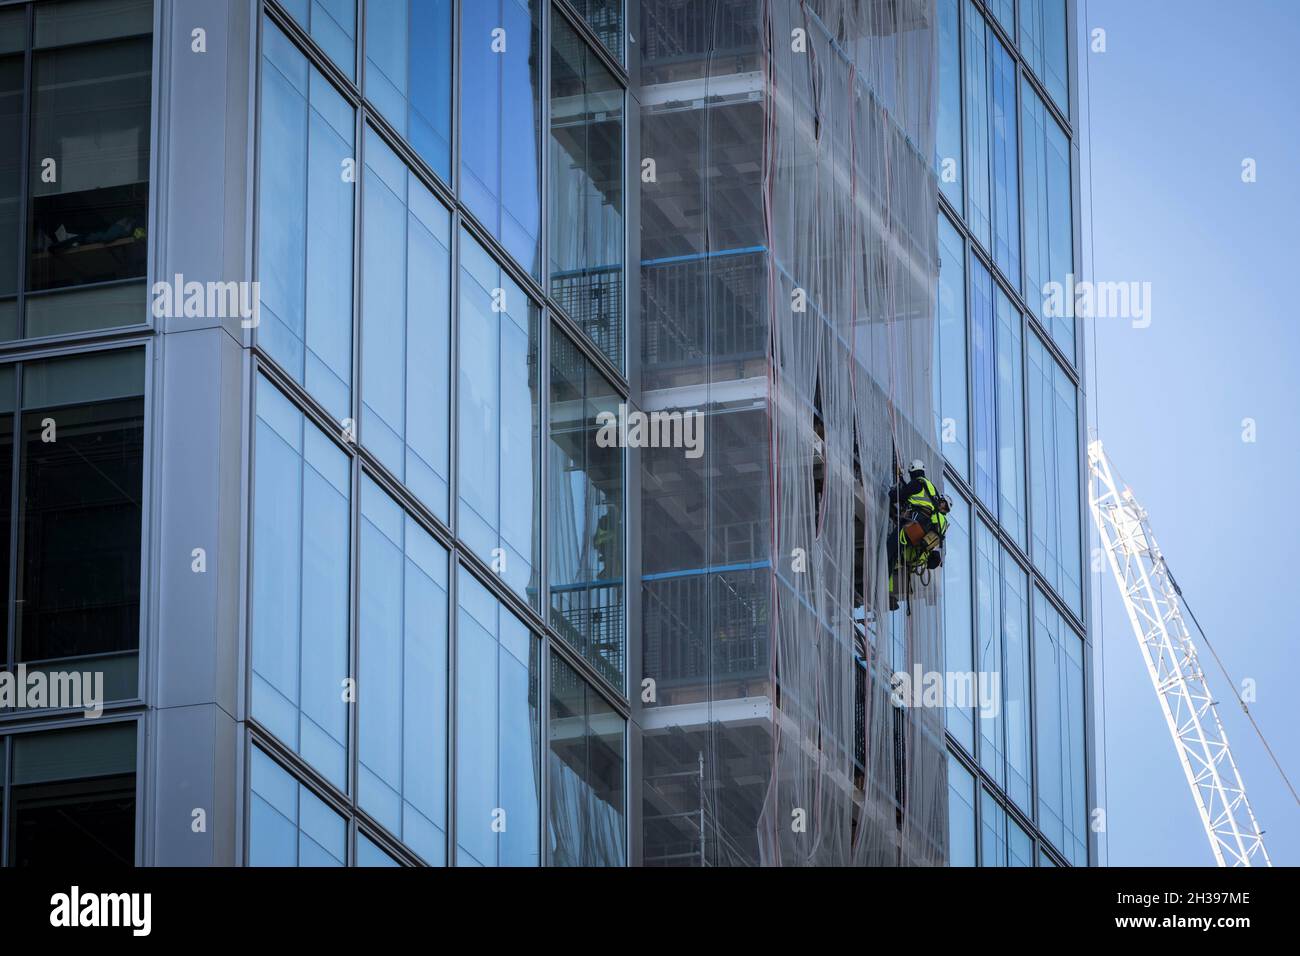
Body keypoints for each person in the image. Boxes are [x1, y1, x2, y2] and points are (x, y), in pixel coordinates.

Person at [887, 459, 951, 610]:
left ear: (912, 472)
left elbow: (900, 496)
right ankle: (888, 591)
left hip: (915, 524)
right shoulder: (933, 490)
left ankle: (885, 589)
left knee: (889, 549)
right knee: (896, 552)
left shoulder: (917, 484)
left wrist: (891, 492)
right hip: (922, 529)